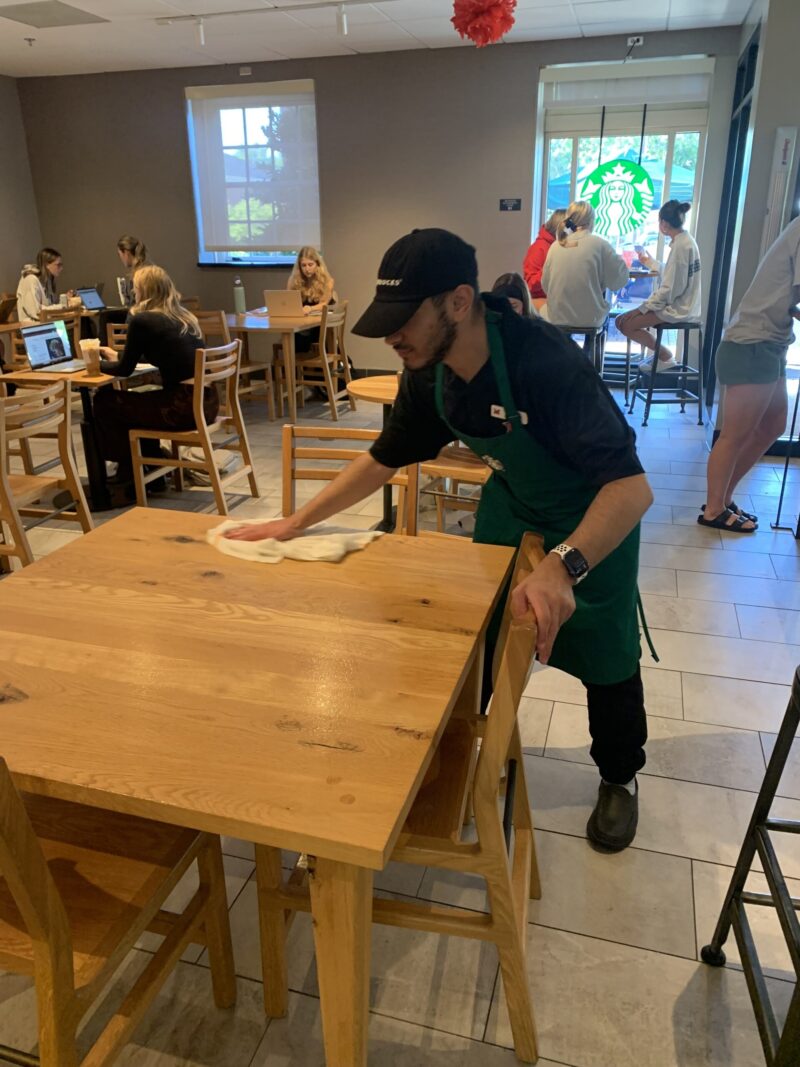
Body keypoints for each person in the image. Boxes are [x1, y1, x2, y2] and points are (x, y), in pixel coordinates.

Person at [226, 228, 654, 853]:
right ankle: (472, 748)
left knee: (607, 658)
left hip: (592, 517)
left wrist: (563, 565)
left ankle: (619, 777)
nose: (390, 337)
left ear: (458, 302)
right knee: (477, 643)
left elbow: (632, 488)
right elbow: (384, 458)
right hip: (511, 511)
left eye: (404, 320)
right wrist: (294, 523)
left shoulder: (545, 361)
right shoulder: (429, 374)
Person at [698, 216, 800, 534]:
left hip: (769, 343)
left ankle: (724, 499)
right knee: (735, 434)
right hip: (753, 343)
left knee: (772, 425)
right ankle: (714, 509)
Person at [93, 265, 218, 488]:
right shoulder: (184, 317)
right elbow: (163, 356)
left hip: (180, 408)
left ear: (144, 290)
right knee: (139, 402)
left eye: (136, 288)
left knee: (106, 400)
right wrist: (118, 357)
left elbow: (124, 370)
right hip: (206, 403)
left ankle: (130, 470)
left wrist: (94, 364)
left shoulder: (143, 320)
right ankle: (153, 467)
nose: (134, 293)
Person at [616, 201, 702, 370]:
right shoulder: (686, 242)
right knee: (622, 321)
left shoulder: (680, 247)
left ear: (663, 223)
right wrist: (649, 262)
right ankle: (662, 356)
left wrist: (640, 309)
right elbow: (674, 276)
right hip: (685, 305)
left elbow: (669, 290)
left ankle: (665, 356)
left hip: (678, 308)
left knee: (624, 323)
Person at [540, 201, 629, 328]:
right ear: (591, 221)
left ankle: (566, 346)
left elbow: (545, 284)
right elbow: (619, 280)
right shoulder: (600, 244)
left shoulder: (556, 246)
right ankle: (590, 347)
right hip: (590, 318)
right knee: (601, 315)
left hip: (557, 317)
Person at [287, 246, 336, 353]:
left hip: (318, 325)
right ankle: (296, 367)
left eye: (310, 264)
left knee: (302, 338)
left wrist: (309, 309)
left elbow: (324, 304)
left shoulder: (328, 282)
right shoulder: (293, 281)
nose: (307, 269)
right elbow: (288, 301)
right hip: (300, 323)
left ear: (317, 264)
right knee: (294, 337)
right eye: (303, 265)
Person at [523, 209, 566, 310]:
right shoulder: (539, 248)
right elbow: (531, 284)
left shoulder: (557, 247)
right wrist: (551, 268)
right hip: (541, 305)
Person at [16, 248, 65, 321]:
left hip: (47, 321)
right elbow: (36, 312)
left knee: (82, 321)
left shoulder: (47, 280)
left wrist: (64, 301)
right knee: (74, 324)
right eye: (58, 265)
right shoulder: (31, 279)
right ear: (47, 264)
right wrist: (61, 307)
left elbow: (49, 306)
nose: (61, 268)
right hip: (33, 326)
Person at [116, 234, 149, 307]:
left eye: (119, 254)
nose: (120, 258)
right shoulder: (147, 269)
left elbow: (138, 305)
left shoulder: (138, 275)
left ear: (126, 253)